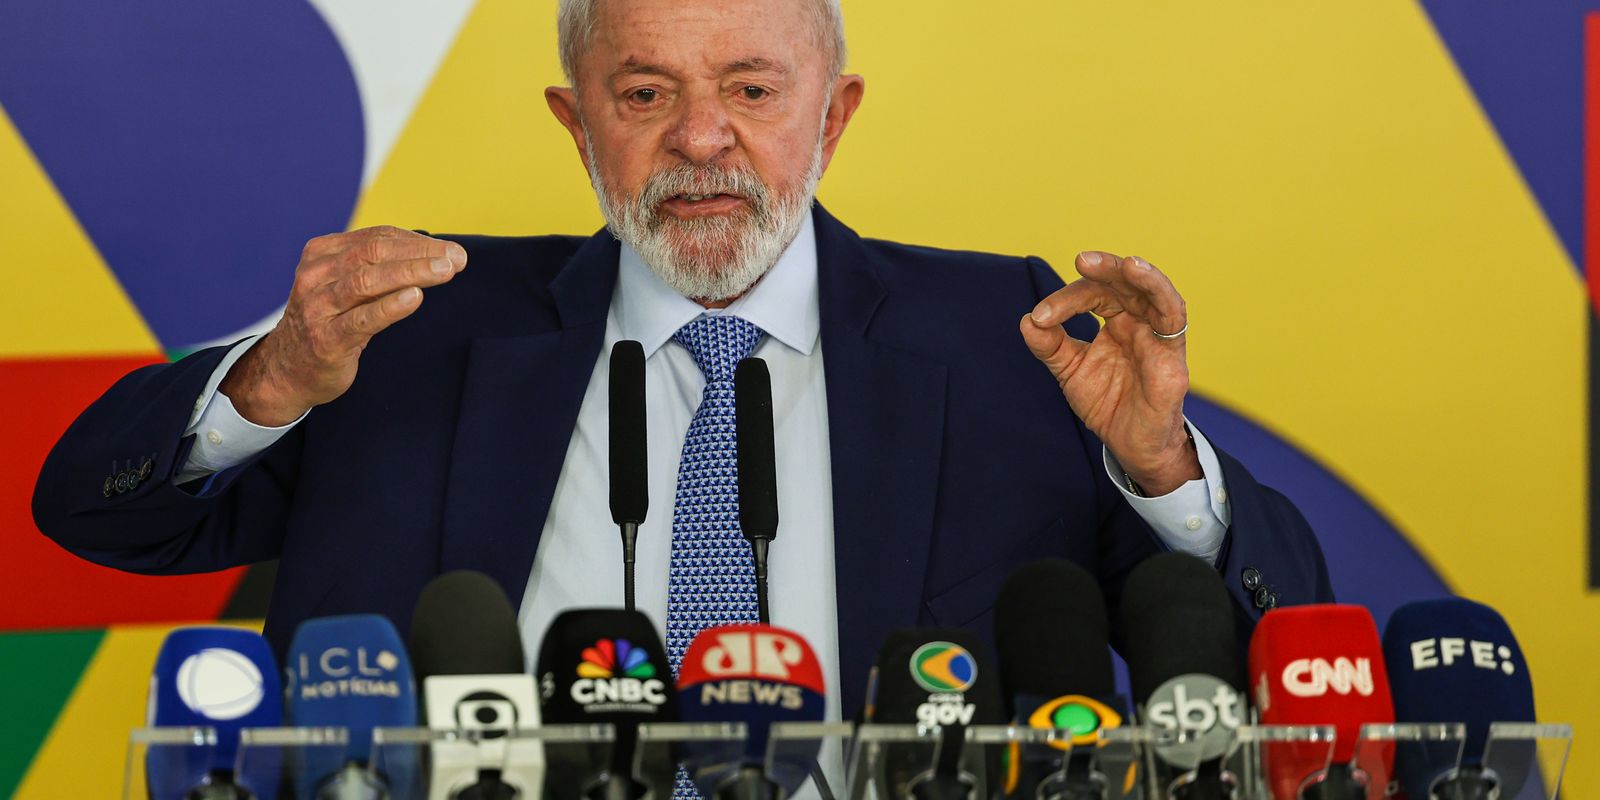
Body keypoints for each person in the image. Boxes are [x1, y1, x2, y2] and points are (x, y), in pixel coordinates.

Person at [34, 0, 1328, 737]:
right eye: (644, 94)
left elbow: (1284, 645)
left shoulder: (1006, 334)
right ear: (575, 122)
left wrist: (1159, 466)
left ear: (835, 116)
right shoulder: (415, 322)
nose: (702, 138)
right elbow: (97, 513)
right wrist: (268, 382)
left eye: (753, 91)